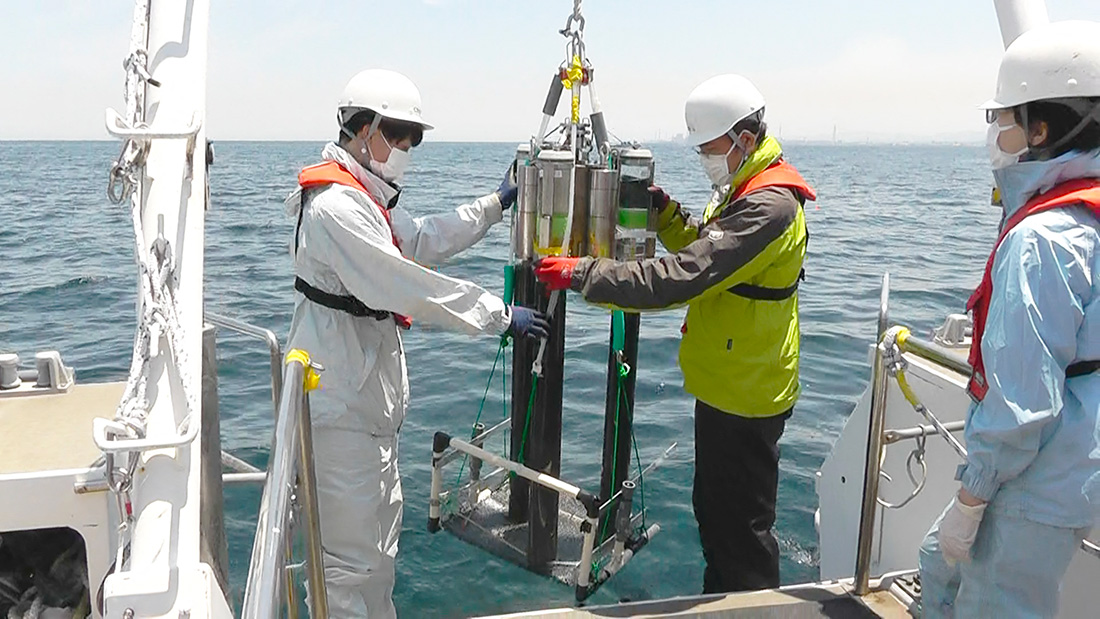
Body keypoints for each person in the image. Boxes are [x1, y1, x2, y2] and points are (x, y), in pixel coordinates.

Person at [534, 74, 815, 593]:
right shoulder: (745, 187)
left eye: (708, 149)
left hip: (747, 395)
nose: (704, 158)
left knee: (741, 535)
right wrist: (664, 214)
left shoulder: (769, 207)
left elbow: (682, 276)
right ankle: (723, 600)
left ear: (744, 140)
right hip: (727, 383)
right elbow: (707, 246)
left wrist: (584, 274)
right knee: (715, 515)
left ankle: (753, 607)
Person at [285, 68, 549, 618]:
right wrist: (499, 315)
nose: (406, 147)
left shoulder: (366, 199)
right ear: (363, 129)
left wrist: (496, 204)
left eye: (413, 138)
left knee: (376, 560)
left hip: (364, 410)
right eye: (398, 134)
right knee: (348, 571)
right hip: (340, 416)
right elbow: (406, 286)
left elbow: (423, 237)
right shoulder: (337, 208)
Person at [918, 20, 1100, 619]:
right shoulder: (1086, 220)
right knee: (935, 567)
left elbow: (1024, 400)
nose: (996, 132)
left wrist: (971, 500)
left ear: (1042, 127)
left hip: (1030, 485)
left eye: (1004, 117)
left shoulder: (1041, 239)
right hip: (1073, 472)